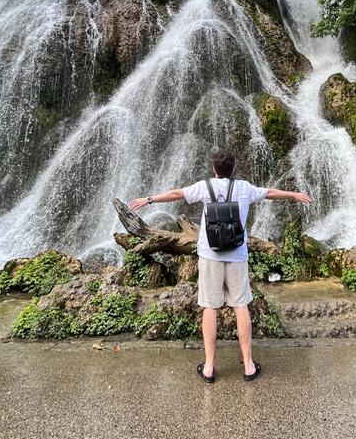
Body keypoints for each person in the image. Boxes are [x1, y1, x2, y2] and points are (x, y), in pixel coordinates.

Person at [129, 150, 312, 384]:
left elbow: (177, 193)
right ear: (232, 168)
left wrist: (149, 199)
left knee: (210, 308)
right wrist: (294, 194)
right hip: (237, 255)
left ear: (214, 169)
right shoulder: (244, 188)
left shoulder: (205, 187)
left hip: (210, 255)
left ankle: (209, 368)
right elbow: (270, 193)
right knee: (241, 306)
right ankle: (247, 366)